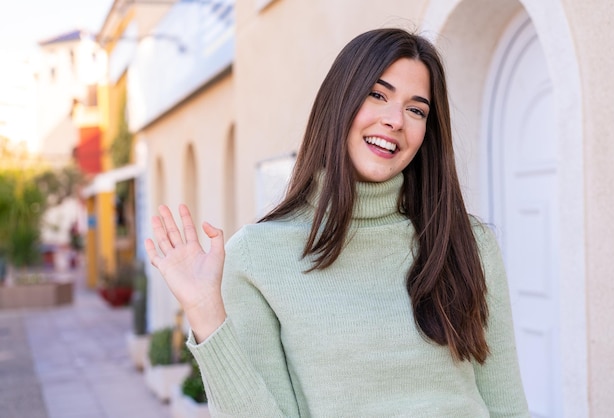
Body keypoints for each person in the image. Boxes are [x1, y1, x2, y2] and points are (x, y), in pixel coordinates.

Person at [146, 28, 530, 417]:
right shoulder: (257, 256)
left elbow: (507, 405)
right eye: (377, 95)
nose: (395, 120)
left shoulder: (467, 242)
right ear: (339, 103)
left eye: (416, 110)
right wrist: (205, 312)